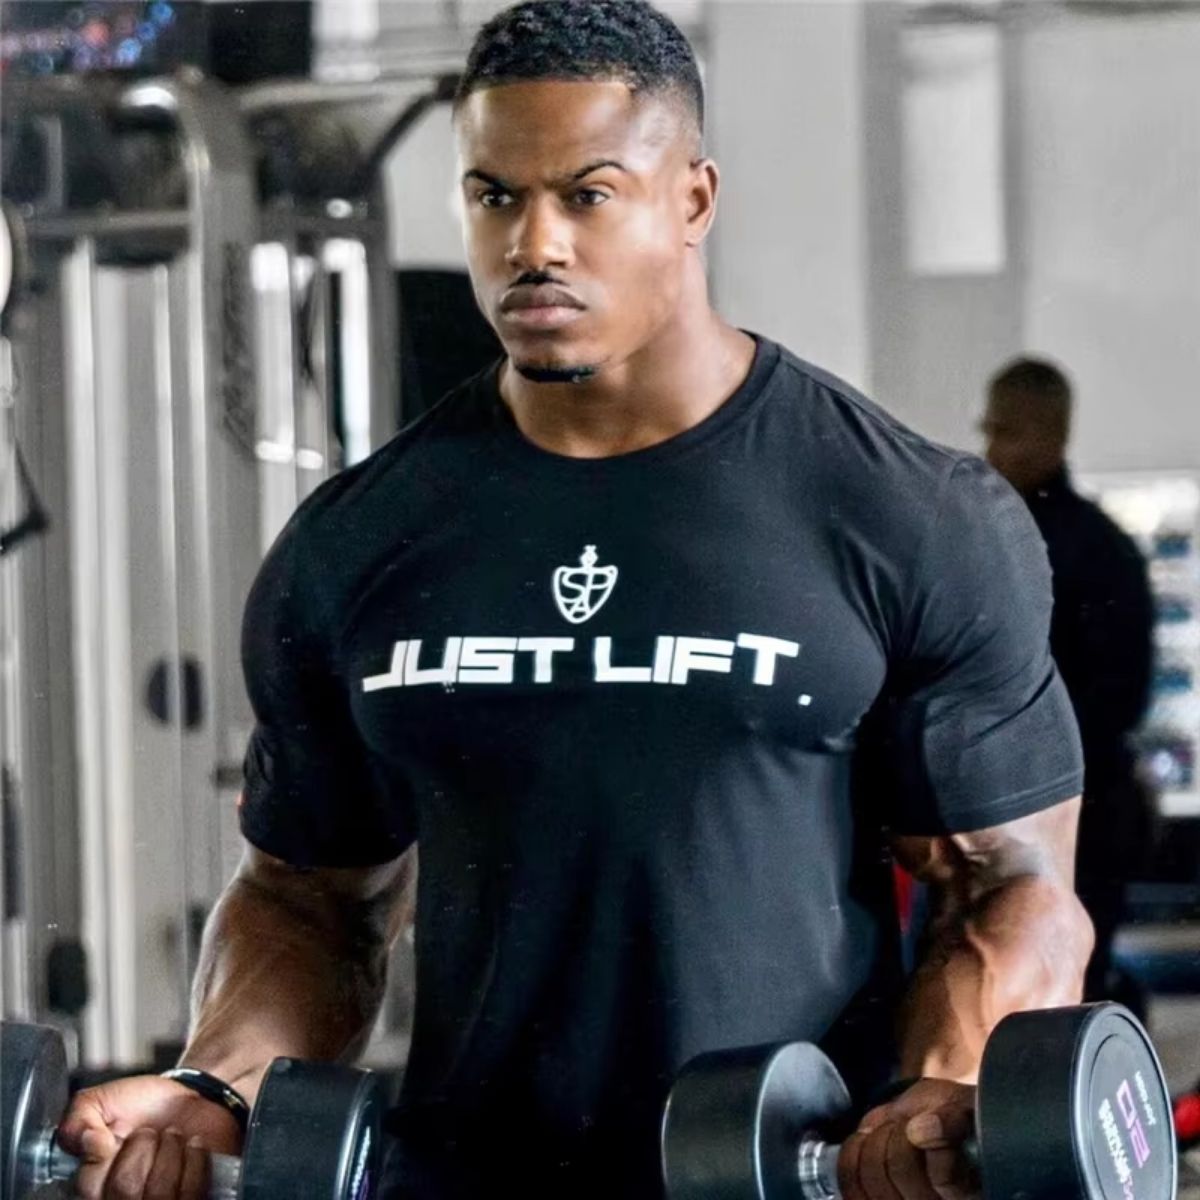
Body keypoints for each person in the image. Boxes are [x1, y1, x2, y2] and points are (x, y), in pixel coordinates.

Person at [59, 5, 1093, 1199]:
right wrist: (220, 1089)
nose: (533, 243)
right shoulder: (360, 541)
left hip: (784, 1176)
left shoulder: (903, 514)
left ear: (694, 200)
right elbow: (309, 899)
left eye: (588, 194)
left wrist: (944, 1094)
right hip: (460, 1177)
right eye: (494, 196)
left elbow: (1007, 887)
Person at [982, 357, 1155, 1006]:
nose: (992, 451)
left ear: (1051, 434)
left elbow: (1115, 699)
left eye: (1007, 432)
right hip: (1063, 805)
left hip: (1069, 810)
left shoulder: (1078, 548)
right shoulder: (1088, 543)